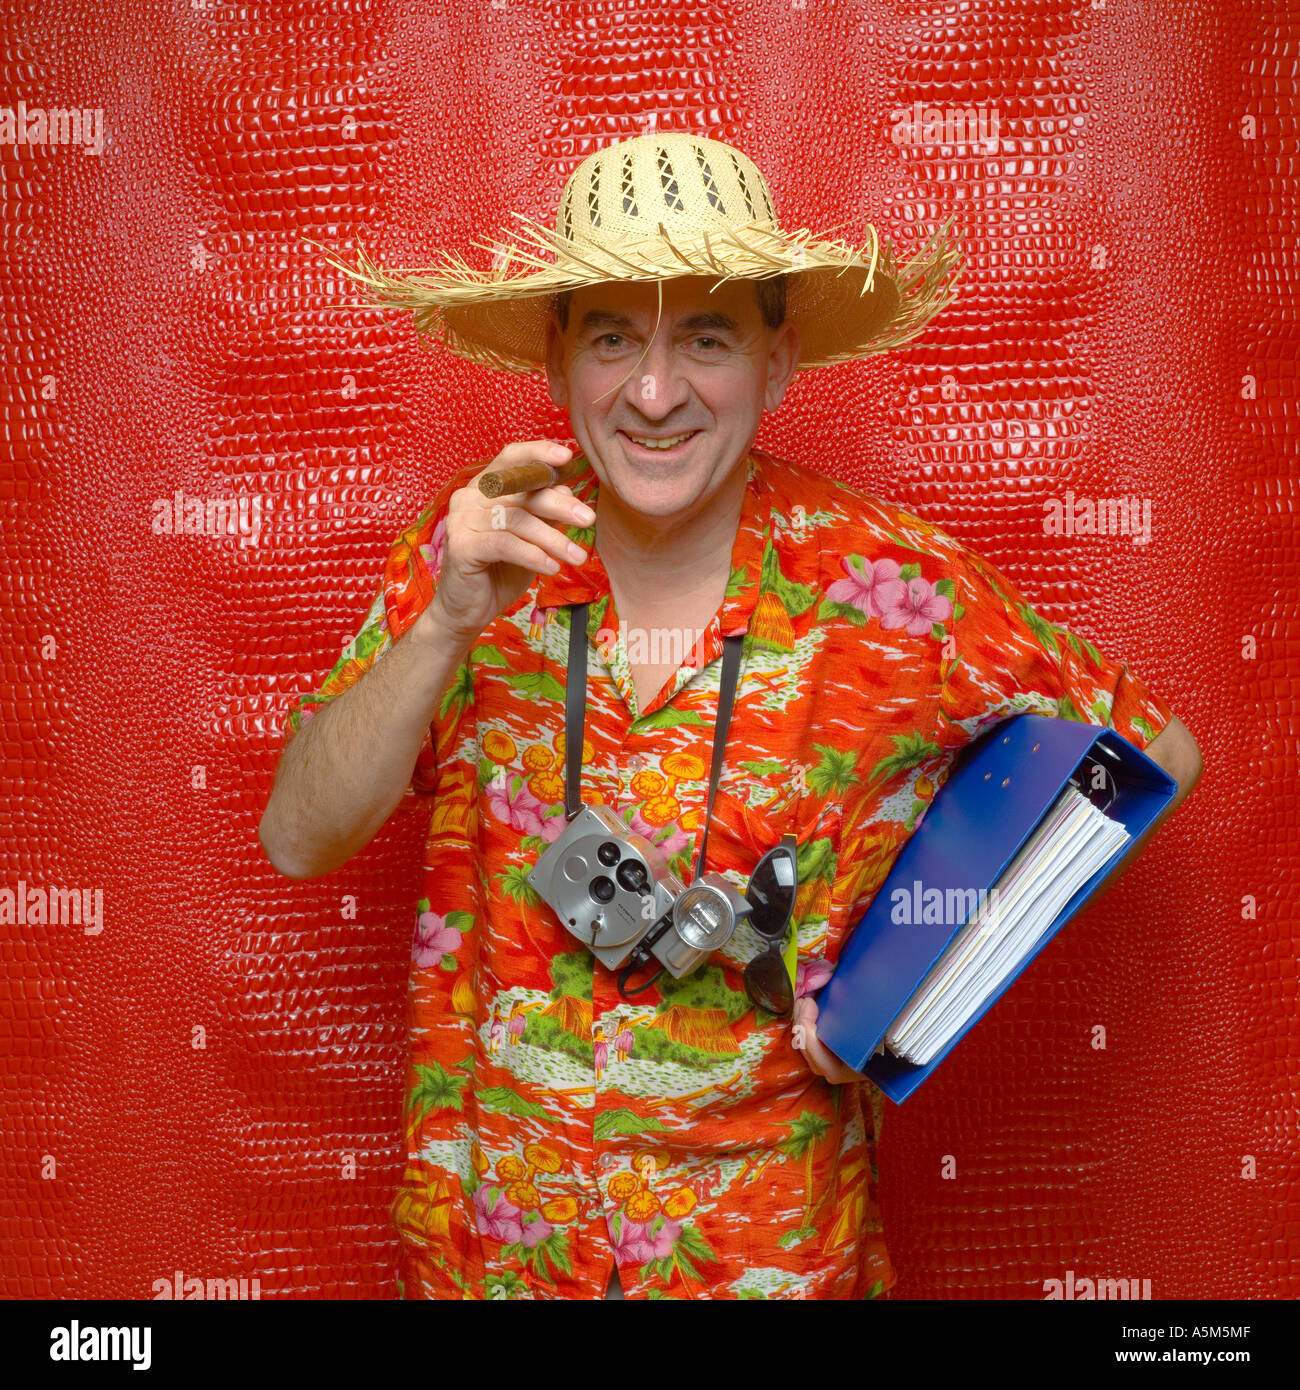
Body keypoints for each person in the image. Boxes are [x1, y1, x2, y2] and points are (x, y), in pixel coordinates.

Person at [260, 133, 1203, 1300]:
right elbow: (298, 836)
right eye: (612, 336)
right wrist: (446, 624)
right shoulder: (468, 553)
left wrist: (919, 972)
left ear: (778, 358)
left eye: (705, 336)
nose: (654, 394)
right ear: (556, 365)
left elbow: (1151, 748)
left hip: (768, 1252)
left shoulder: (887, 584)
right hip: (489, 1248)